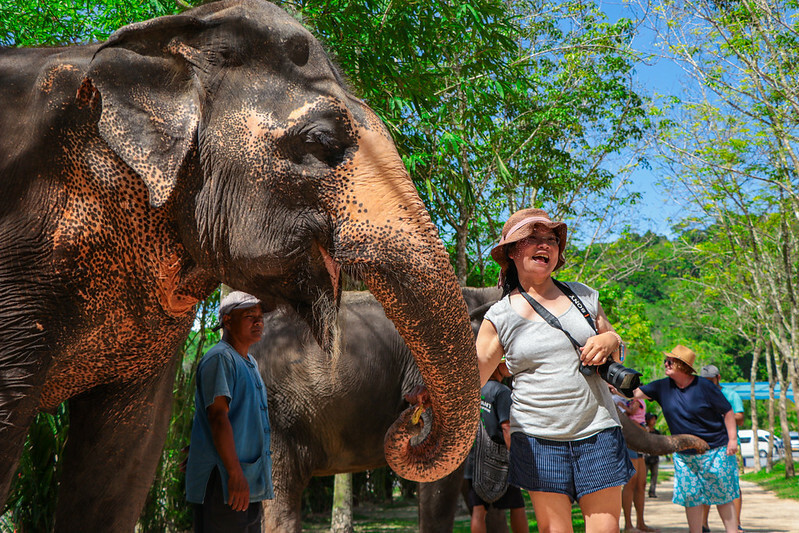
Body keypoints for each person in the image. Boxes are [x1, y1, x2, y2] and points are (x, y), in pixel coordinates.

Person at [476, 207, 635, 533]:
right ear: (511, 252)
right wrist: (430, 394)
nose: (544, 245)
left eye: (551, 239)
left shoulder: (584, 296)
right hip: (537, 440)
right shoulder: (499, 316)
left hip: (598, 431)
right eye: (532, 238)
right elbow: (470, 377)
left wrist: (611, 338)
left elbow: (617, 352)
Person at [186, 291, 274, 533]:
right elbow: (217, 417)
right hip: (225, 484)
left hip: (245, 483)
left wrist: (201, 446)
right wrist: (234, 474)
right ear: (227, 320)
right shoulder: (220, 359)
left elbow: (237, 419)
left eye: (260, 317)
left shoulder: (249, 362)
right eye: (249, 316)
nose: (258, 322)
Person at [632, 346, 739, 533]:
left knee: (723, 495)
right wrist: (613, 386)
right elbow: (634, 393)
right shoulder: (662, 387)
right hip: (684, 455)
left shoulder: (704, 386)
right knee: (691, 497)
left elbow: (728, 411)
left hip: (715, 450)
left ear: (683, 365)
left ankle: (732, 531)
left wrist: (732, 440)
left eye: (670, 361)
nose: (666, 364)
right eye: (666, 361)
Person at [465, 359, 529, 533]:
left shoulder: (473, 392)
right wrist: (516, 459)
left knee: (478, 511)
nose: (509, 366)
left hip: (474, 461)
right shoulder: (502, 392)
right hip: (501, 462)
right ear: (496, 365)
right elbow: (506, 428)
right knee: (517, 506)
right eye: (505, 362)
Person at [700, 364, 745, 533]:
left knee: (732, 485)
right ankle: (703, 525)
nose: (708, 384)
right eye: (705, 381)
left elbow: (740, 418)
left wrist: (721, 414)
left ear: (718, 378)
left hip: (728, 445)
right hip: (705, 445)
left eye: (710, 380)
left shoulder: (731, 395)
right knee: (705, 485)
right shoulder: (699, 395)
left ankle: (736, 525)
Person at [611, 388, 657, 533]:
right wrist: (641, 430)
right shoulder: (615, 398)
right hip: (628, 439)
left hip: (639, 440)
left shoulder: (632, 397)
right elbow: (624, 420)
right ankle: (628, 525)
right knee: (631, 481)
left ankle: (641, 523)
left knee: (641, 483)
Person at [643, 413, 661, 498]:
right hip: (645, 458)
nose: (654, 421)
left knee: (654, 476)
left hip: (655, 457)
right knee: (643, 477)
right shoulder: (644, 431)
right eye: (652, 419)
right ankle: (642, 491)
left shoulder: (657, 432)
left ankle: (652, 492)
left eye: (654, 419)